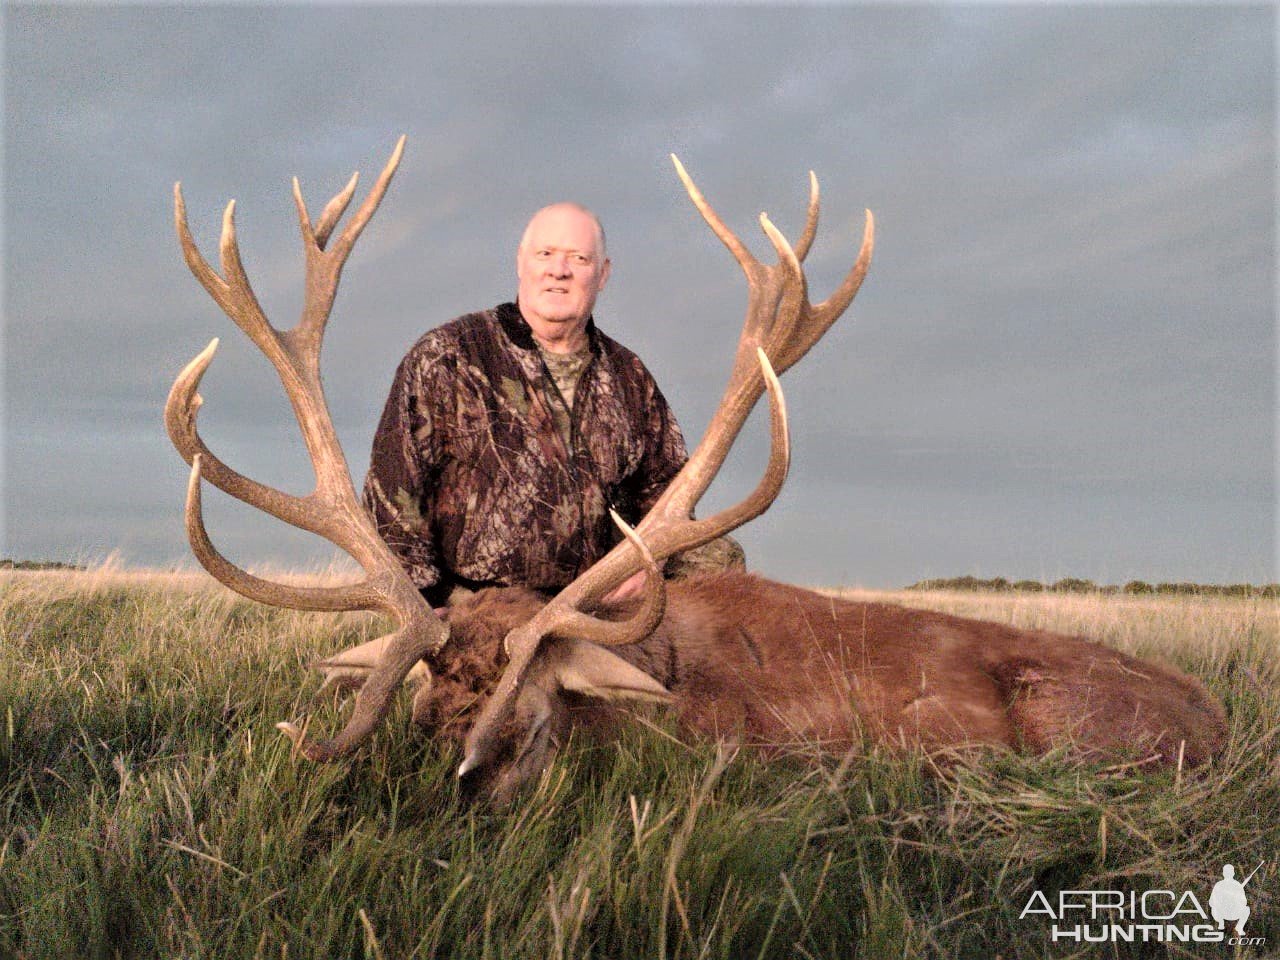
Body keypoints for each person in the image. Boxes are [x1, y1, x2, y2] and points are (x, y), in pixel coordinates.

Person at [363, 201, 741, 611]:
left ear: (603, 274)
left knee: (721, 561)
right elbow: (393, 494)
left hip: (597, 597)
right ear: (521, 264)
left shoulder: (628, 374)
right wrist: (429, 605)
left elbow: (669, 494)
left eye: (579, 258)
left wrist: (648, 559)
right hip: (482, 603)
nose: (559, 270)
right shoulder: (449, 356)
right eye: (545, 254)